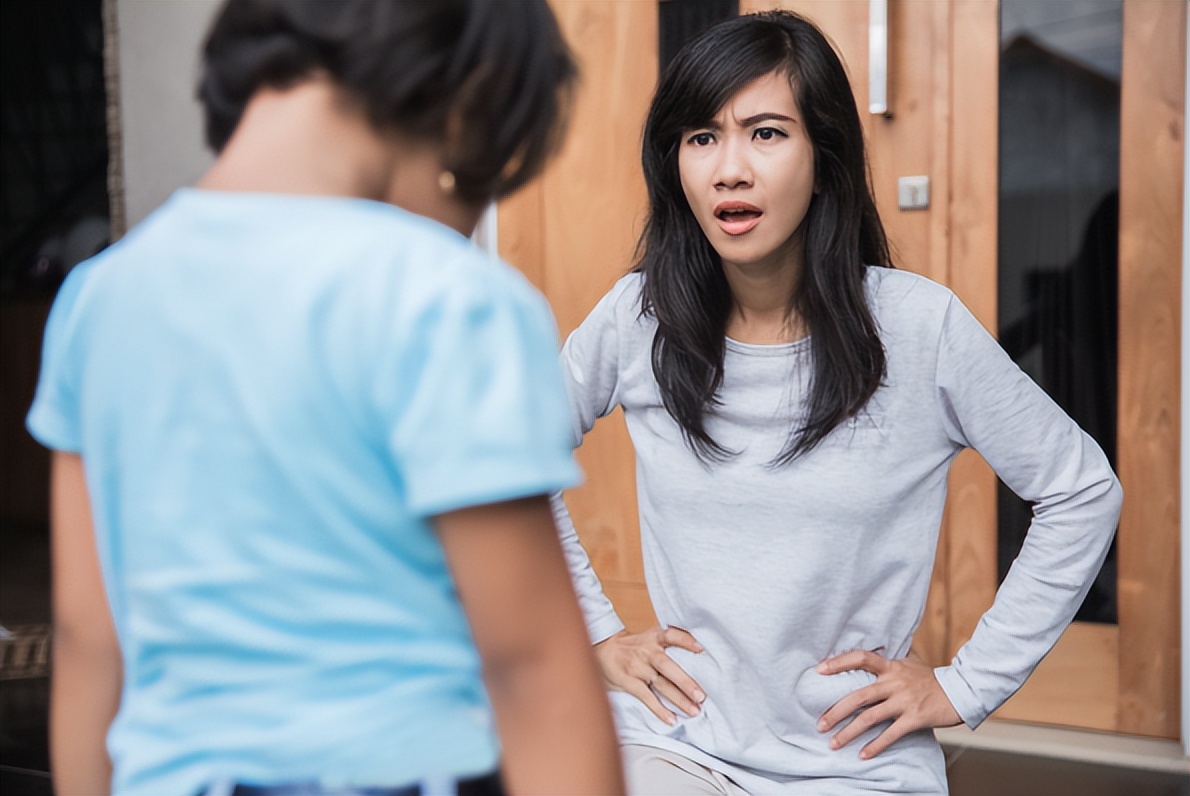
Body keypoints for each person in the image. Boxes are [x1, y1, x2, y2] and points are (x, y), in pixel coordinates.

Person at [27, 1, 624, 794]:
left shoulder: (96, 299)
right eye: (477, 181)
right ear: (468, 104)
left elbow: (88, 641)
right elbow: (534, 673)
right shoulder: (449, 297)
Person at [553, 10, 1121, 795]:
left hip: (853, 762)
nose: (729, 170)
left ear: (825, 157)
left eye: (766, 133)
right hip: (678, 745)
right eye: (701, 137)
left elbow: (1082, 491)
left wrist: (966, 685)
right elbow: (508, 458)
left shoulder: (918, 327)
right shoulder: (637, 318)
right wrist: (596, 637)